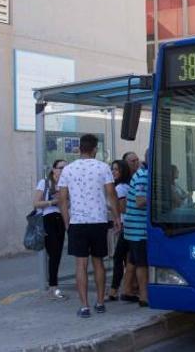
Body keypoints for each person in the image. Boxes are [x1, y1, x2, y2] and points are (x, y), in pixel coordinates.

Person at [58, 134, 121, 319]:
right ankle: (100, 302)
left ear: (79, 149)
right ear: (95, 149)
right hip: (99, 221)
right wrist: (117, 217)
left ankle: (84, 306)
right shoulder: (102, 167)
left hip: (77, 222)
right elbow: (111, 194)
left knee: (80, 264)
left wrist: (66, 221)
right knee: (98, 262)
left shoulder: (68, 169)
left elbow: (62, 199)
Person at [32, 159, 68, 301]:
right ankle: (53, 287)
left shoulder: (67, 184)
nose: (63, 170)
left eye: (66, 168)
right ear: (53, 169)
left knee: (57, 254)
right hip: (48, 219)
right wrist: (52, 202)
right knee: (53, 254)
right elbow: (35, 203)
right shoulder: (45, 183)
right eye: (61, 168)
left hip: (61, 218)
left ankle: (54, 286)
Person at [124, 150, 150, 307]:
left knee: (132, 261)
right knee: (142, 263)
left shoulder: (141, 173)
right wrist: (157, 197)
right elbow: (140, 201)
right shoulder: (144, 176)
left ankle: (126, 290)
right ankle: (144, 296)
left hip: (133, 228)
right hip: (139, 229)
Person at [107, 160, 134, 302]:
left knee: (118, 258)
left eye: (116, 169)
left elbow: (123, 208)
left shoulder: (120, 188)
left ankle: (114, 291)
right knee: (128, 258)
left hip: (124, 225)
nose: (114, 172)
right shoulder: (125, 186)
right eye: (112, 169)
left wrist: (110, 207)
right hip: (128, 224)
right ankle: (125, 289)